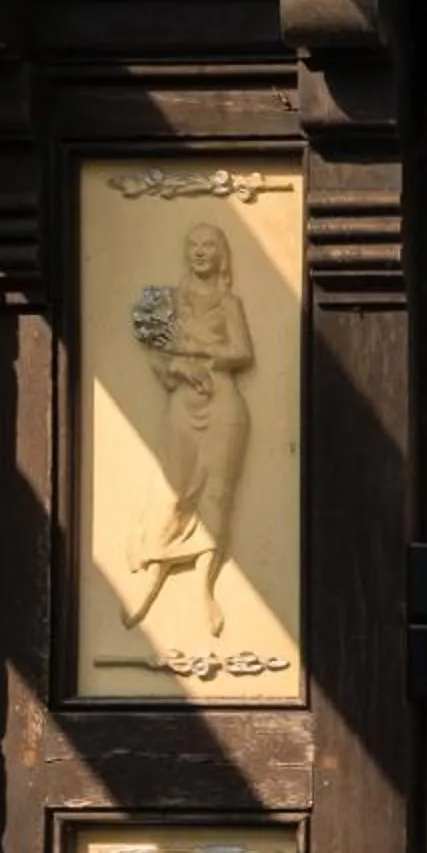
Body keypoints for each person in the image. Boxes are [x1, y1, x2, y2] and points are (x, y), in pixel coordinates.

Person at [121, 219, 257, 641]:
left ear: (220, 256)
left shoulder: (228, 302)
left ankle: (203, 590)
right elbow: (160, 360)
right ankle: (154, 573)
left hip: (224, 405)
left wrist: (193, 350)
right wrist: (178, 363)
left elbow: (242, 352)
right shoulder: (168, 303)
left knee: (217, 493)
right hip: (184, 405)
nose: (200, 251)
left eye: (208, 246)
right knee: (173, 490)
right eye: (194, 245)